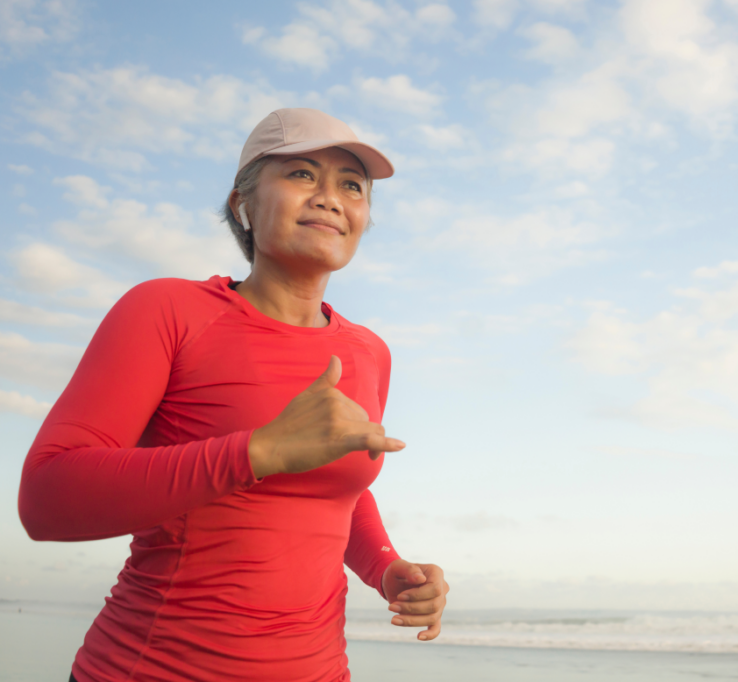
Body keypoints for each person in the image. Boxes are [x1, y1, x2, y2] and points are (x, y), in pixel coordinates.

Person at [18, 108, 448, 682]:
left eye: (352, 185)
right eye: (301, 174)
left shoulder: (369, 351)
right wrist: (257, 451)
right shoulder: (168, 310)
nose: (330, 197)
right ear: (242, 204)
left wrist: (387, 568)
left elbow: (336, 490)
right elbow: (46, 499)